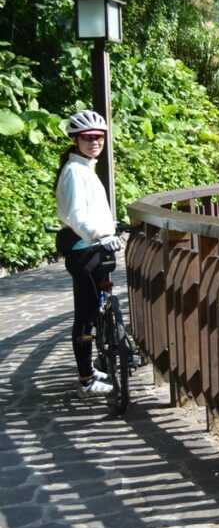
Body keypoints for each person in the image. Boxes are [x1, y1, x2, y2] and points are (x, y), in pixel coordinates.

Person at [54, 110, 122, 398]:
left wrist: (112, 228)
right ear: (76, 139)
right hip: (85, 253)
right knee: (85, 315)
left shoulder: (85, 168)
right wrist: (100, 235)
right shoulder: (73, 172)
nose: (95, 141)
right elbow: (75, 215)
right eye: (88, 137)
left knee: (97, 310)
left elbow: (93, 210)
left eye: (99, 137)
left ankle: (94, 367)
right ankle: (85, 378)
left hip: (97, 249)